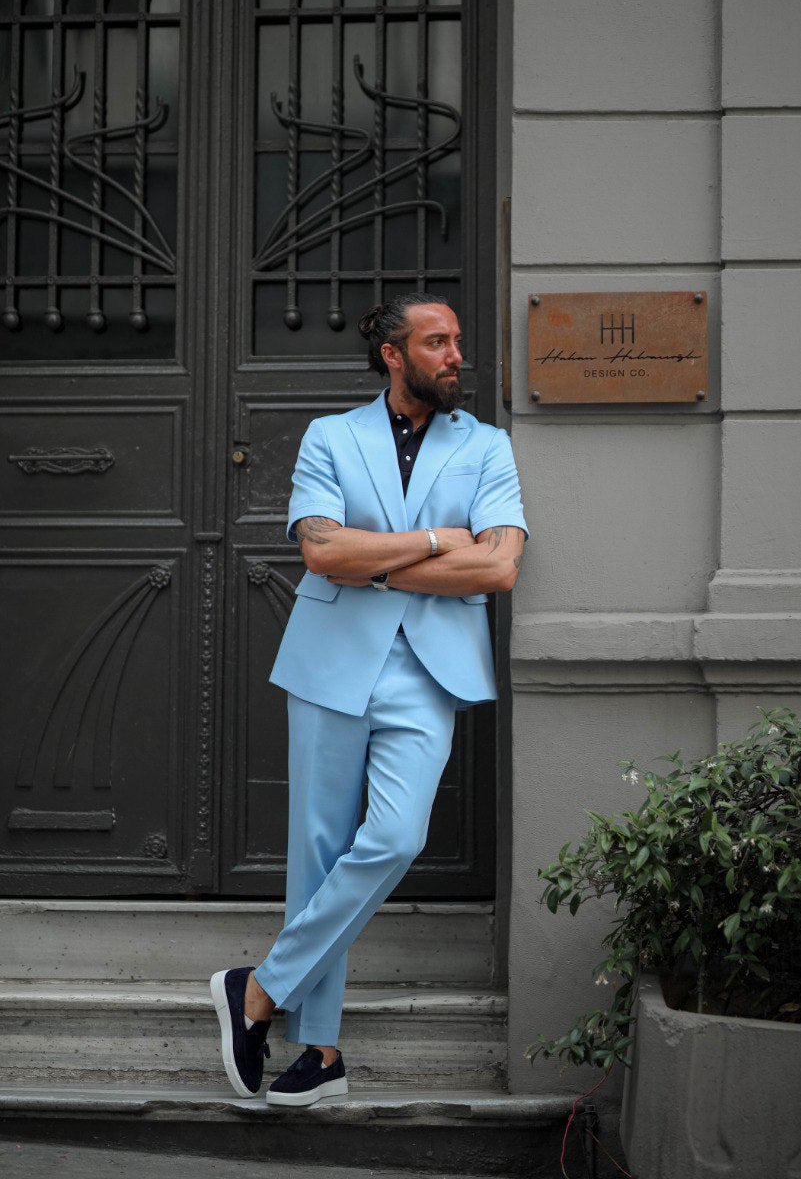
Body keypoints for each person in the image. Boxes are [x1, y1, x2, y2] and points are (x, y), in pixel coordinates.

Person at [210, 292, 528, 1107]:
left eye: (457, 339)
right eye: (437, 342)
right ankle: (320, 1054)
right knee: (316, 854)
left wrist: (373, 561)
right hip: (329, 665)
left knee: (392, 838)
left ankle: (258, 987)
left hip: (429, 673)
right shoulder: (331, 436)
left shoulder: (487, 447)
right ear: (393, 354)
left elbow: (496, 569)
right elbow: (319, 551)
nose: (457, 354)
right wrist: (431, 543)